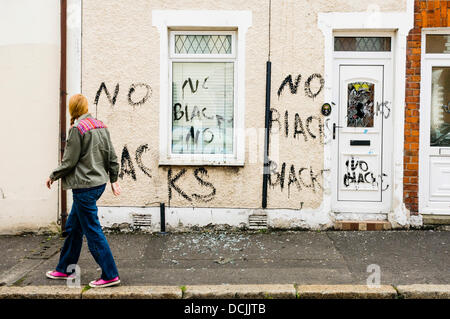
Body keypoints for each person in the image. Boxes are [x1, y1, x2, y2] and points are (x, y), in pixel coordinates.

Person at [45, 94, 122, 288]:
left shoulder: (78, 129)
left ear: (72, 110)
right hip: (98, 184)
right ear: (86, 107)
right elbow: (112, 156)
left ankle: (110, 274)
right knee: (74, 228)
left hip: (84, 187)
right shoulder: (100, 125)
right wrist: (113, 179)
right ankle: (65, 269)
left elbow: (69, 162)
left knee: (92, 231)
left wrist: (53, 175)